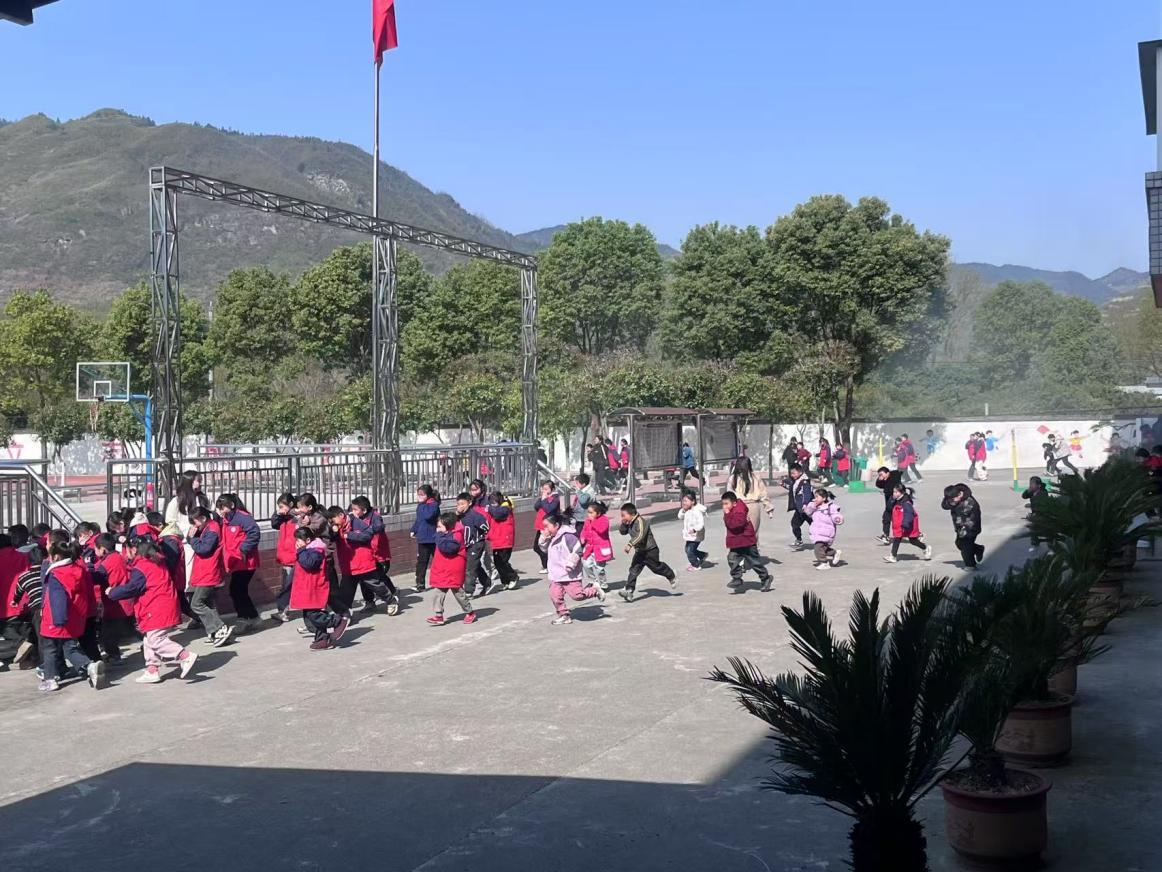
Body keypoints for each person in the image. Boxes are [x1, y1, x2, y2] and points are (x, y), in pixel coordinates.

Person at [107, 537, 198, 684]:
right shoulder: (156, 561)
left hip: (156, 607)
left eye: (126, 550)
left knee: (155, 640)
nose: (125, 554)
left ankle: (184, 655)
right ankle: (152, 669)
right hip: (163, 604)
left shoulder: (142, 567)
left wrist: (112, 592)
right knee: (149, 639)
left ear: (134, 549)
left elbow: (132, 588)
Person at [38, 539, 106, 692]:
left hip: (56, 619)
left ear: (55, 557)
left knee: (51, 649)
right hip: (75, 617)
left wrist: (58, 620)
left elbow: (58, 598)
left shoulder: (56, 574)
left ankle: (51, 679)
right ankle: (90, 667)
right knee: (70, 648)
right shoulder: (78, 570)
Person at [329, 502, 397, 618]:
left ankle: (391, 600)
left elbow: (367, 535)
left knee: (375, 584)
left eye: (333, 520)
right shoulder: (337, 528)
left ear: (341, 515)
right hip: (348, 565)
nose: (332, 523)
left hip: (363, 563)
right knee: (346, 592)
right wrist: (333, 532)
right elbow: (331, 539)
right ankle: (344, 615)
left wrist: (349, 535)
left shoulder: (355, 522)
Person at [290, 527, 350, 651]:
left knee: (314, 614)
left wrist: (300, 550)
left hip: (314, 587)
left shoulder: (315, 550)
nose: (296, 543)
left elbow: (309, 564)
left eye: (298, 540)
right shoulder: (307, 550)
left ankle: (337, 621)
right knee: (309, 616)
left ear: (307, 540)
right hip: (307, 587)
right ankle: (322, 639)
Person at [543, 512, 605, 625]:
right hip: (556, 574)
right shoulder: (551, 537)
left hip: (570, 574)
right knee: (555, 595)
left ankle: (594, 590)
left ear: (556, 525)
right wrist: (543, 538)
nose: (545, 529)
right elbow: (543, 549)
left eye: (547, 526)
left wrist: (571, 563)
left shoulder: (568, 536)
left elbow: (578, 549)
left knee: (577, 595)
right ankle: (564, 616)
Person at [186, 507, 234, 647]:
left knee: (197, 603)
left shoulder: (212, 530)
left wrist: (192, 539)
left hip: (208, 572)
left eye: (195, 521)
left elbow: (204, 549)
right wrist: (192, 537)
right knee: (208, 603)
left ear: (203, 518)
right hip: (204, 571)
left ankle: (220, 627)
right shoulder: (207, 528)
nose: (194, 525)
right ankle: (214, 632)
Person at [215, 494, 261, 633]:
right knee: (238, 590)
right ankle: (252, 617)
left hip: (245, 562)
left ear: (231, 505)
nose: (221, 510)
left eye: (222, 507)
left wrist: (242, 550)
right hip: (236, 561)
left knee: (237, 590)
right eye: (219, 508)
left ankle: (245, 618)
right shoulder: (226, 520)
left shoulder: (242, 517)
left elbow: (254, 533)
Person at [427, 511, 478, 626]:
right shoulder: (445, 534)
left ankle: (470, 612)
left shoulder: (456, 535)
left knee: (458, 592)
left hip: (453, 568)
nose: (438, 529)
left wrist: (439, 536)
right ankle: (438, 615)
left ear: (448, 526)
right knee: (439, 591)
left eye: (440, 527)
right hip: (443, 568)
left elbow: (448, 548)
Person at [618, 502, 677, 602]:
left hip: (650, 550)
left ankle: (671, 575)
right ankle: (629, 591)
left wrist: (630, 544)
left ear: (631, 514)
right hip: (640, 552)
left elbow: (640, 535)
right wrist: (624, 524)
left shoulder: (641, 521)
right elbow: (623, 532)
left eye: (623, 515)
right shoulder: (629, 522)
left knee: (656, 568)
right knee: (634, 570)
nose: (622, 517)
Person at [89, 533, 133, 661]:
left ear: (103, 549)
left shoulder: (106, 563)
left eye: (95, 549)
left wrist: (87, 572)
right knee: (129, 628)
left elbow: (97, 578)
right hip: (126, 598)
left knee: (108, 634)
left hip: (114, 602)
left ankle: (114, 656)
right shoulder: (119, 557)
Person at [721, 491, 773, 593]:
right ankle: (737, 578)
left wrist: (727, 514)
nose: (724, 506)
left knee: (755, 563)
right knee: (732, 558)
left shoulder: (739, 511)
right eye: (723, 504)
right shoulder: (732, 511)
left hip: (747, 542)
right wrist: (728, 514)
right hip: (736, 543)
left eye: (726, 503)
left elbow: (735, 525)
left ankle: (766, 578)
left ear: (734, 503)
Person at [165, 469, 208, 584]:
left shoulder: (203, 499)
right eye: (198, 480)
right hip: (186, 543)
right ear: (189, 481)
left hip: (204, 540)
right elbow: (170, 522)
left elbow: (212, 513)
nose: (200, 483)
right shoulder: (176, 501)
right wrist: (188, 528)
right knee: (189, 574)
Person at [269, 492, 299, 623]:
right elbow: (274, 523)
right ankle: (283, 611)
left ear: (291, 504)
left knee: (289, 586)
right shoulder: (282, 518)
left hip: (296, 556)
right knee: (286, 585)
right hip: (286, 557)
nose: (280, 509)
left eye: (282, 506)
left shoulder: (298, 517)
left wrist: (293, 512)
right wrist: (278, 513)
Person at [882, 484, 932, 563]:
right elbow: (889, 508)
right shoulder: (895, 500)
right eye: (894, 492)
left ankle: (925, 547)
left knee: (913, 540)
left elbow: (909, 514)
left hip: (907, 525)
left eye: (896, 492)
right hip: (899, 525)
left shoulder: (906, 503)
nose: (894, 494)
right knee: (897, 539)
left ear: (902, 493)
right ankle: (893, 556)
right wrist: (892, 500)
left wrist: (905, 523)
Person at [455, 491, 492, 597]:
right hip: (466, 545)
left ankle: (469, 590)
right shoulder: (459, 516)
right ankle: (487, 583)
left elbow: (486, 527)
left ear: (469, 503)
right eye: (458, 504)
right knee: (474, 565)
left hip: (476, 544)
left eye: (463, 504)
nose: (460, 506)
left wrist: (479, 537)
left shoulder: (475, 516)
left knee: (470, 568)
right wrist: (456, 515)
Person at [942, 483, 985, 569]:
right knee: (959, 544)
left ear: (959, 495)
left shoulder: (970, 502)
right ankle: (978, 549)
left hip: (971, 527)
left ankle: (970, 565)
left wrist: (966, 530)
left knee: (966, 547)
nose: (951, 501)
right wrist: (951, 503)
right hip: (960, 527)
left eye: (953, 499)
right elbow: (945, 505)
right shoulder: (953, 496)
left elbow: (974, 518)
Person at [726, 456, 772, 534]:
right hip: (741, 507)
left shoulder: (755, 477)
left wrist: (769, 508)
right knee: (741, 533)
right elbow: (729, 495)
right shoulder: (733, 478)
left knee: (750, 533)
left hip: (750, 506)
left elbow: (763, 494)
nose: (741, 473)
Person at [802, 488, 843, 571]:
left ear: (824, 498)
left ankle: (824, 563)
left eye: (817, 497)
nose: (815, 499)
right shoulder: (815, 507)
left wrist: (837, 518)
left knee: (817, 548)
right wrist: (811, 506)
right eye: (815, 497)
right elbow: (808, 513)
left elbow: (835, 514)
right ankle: (834, 553)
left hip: (826, 532)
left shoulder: (830, 507)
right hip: (817, 532)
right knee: (823, 549)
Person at [485, 491, 519, 590]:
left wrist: (489, 508)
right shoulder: (494, 510)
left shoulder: (505, 508)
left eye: (494, 501)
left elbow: (498, 514)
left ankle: (513, 576)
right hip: (496, 540)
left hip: (505, 540)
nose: (492, 504)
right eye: (491, 502)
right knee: (497, 563)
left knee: (503, 562)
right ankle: (505, 581)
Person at [410, 484, 441, 592]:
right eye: (418, 495)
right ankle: (420, 584)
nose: (419, 497)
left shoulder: (433, 505)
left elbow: (428, 516)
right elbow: (419, 520)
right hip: (423, 538)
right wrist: (414, 529)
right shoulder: (421, 505)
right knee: (421, 562)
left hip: (433, 538)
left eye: (422, 495)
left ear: (428, 495)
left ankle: (442, 580)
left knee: (438, 560)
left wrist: (423, 504)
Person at [579, 500, 613, 591]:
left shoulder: (604, 520)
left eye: (591, 513)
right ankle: (592, 581)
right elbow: (584, 530)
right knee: (586, 564)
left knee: (599, 568)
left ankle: (603, 584)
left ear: (598, 513)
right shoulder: (587, 521)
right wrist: (582, 537)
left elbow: (601, 530)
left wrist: (593, 522)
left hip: (600, 548)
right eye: (588, 512)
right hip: (590, 548)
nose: (589, 515)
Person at [532, 481, 561, 574]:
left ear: (552, 489)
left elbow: (549, 509)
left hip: (549, 526)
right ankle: (547, 564)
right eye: (543, 489)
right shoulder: (544, 498)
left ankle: (547, 565)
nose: (544, 491)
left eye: (546, 489)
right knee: (537, 547)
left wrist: (544, 500)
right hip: (541, 525)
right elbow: (536, 507)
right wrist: (542, 498)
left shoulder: (555, 498)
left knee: (541, 546)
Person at [677, 489, 708, 571]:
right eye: (683, 501)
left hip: (696, 535)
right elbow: (680, 517)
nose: (684, 503)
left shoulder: (697, 512)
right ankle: (702, 555)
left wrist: (695, 529)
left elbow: (701, 524)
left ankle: (696, 565)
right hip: (689, 536)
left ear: (693, 501)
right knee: (688, 550)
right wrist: (683, 510)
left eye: (686, 501)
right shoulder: (686, 510)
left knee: (690, 551)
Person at [785, 463, 814, 549]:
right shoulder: (797, 481)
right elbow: (794, 489)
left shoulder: (805, 482)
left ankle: (820, 540)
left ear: (800, 472)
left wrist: (805, 504)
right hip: (799, 509)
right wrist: (784, 485)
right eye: (791, 473)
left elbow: (807, 494)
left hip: (806, 509)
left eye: (794, 473)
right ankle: (799, 539)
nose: (792, 475)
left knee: (814, 525)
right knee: (794, 524)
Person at [874, 466, 905, 545]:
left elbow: (891, 488)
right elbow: (878, 485)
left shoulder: (894, 476)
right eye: (879, 475)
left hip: (897, 503)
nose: (880, 476)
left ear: (887, 473)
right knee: (886, 518)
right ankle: (886, 536)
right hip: (890, 503)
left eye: (881, 474)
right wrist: (879, 480)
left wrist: (885, 491)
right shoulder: (886, 479)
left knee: (902, 521)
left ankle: (917, 535)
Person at [1021, 475, 1051, 550]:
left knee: (1038, 525)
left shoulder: (1043, 492)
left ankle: (1049, 539)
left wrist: (1031, 505)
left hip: (1043, 513)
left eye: (1032, 484)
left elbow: (1042, 504)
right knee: (1032, 524)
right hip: (1035, 513)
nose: (1030, 485)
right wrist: (1028, 491)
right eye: (1030, 484)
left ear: (1039, 485)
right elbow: (1024, 496)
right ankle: (1035, 540)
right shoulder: (1032, 491)